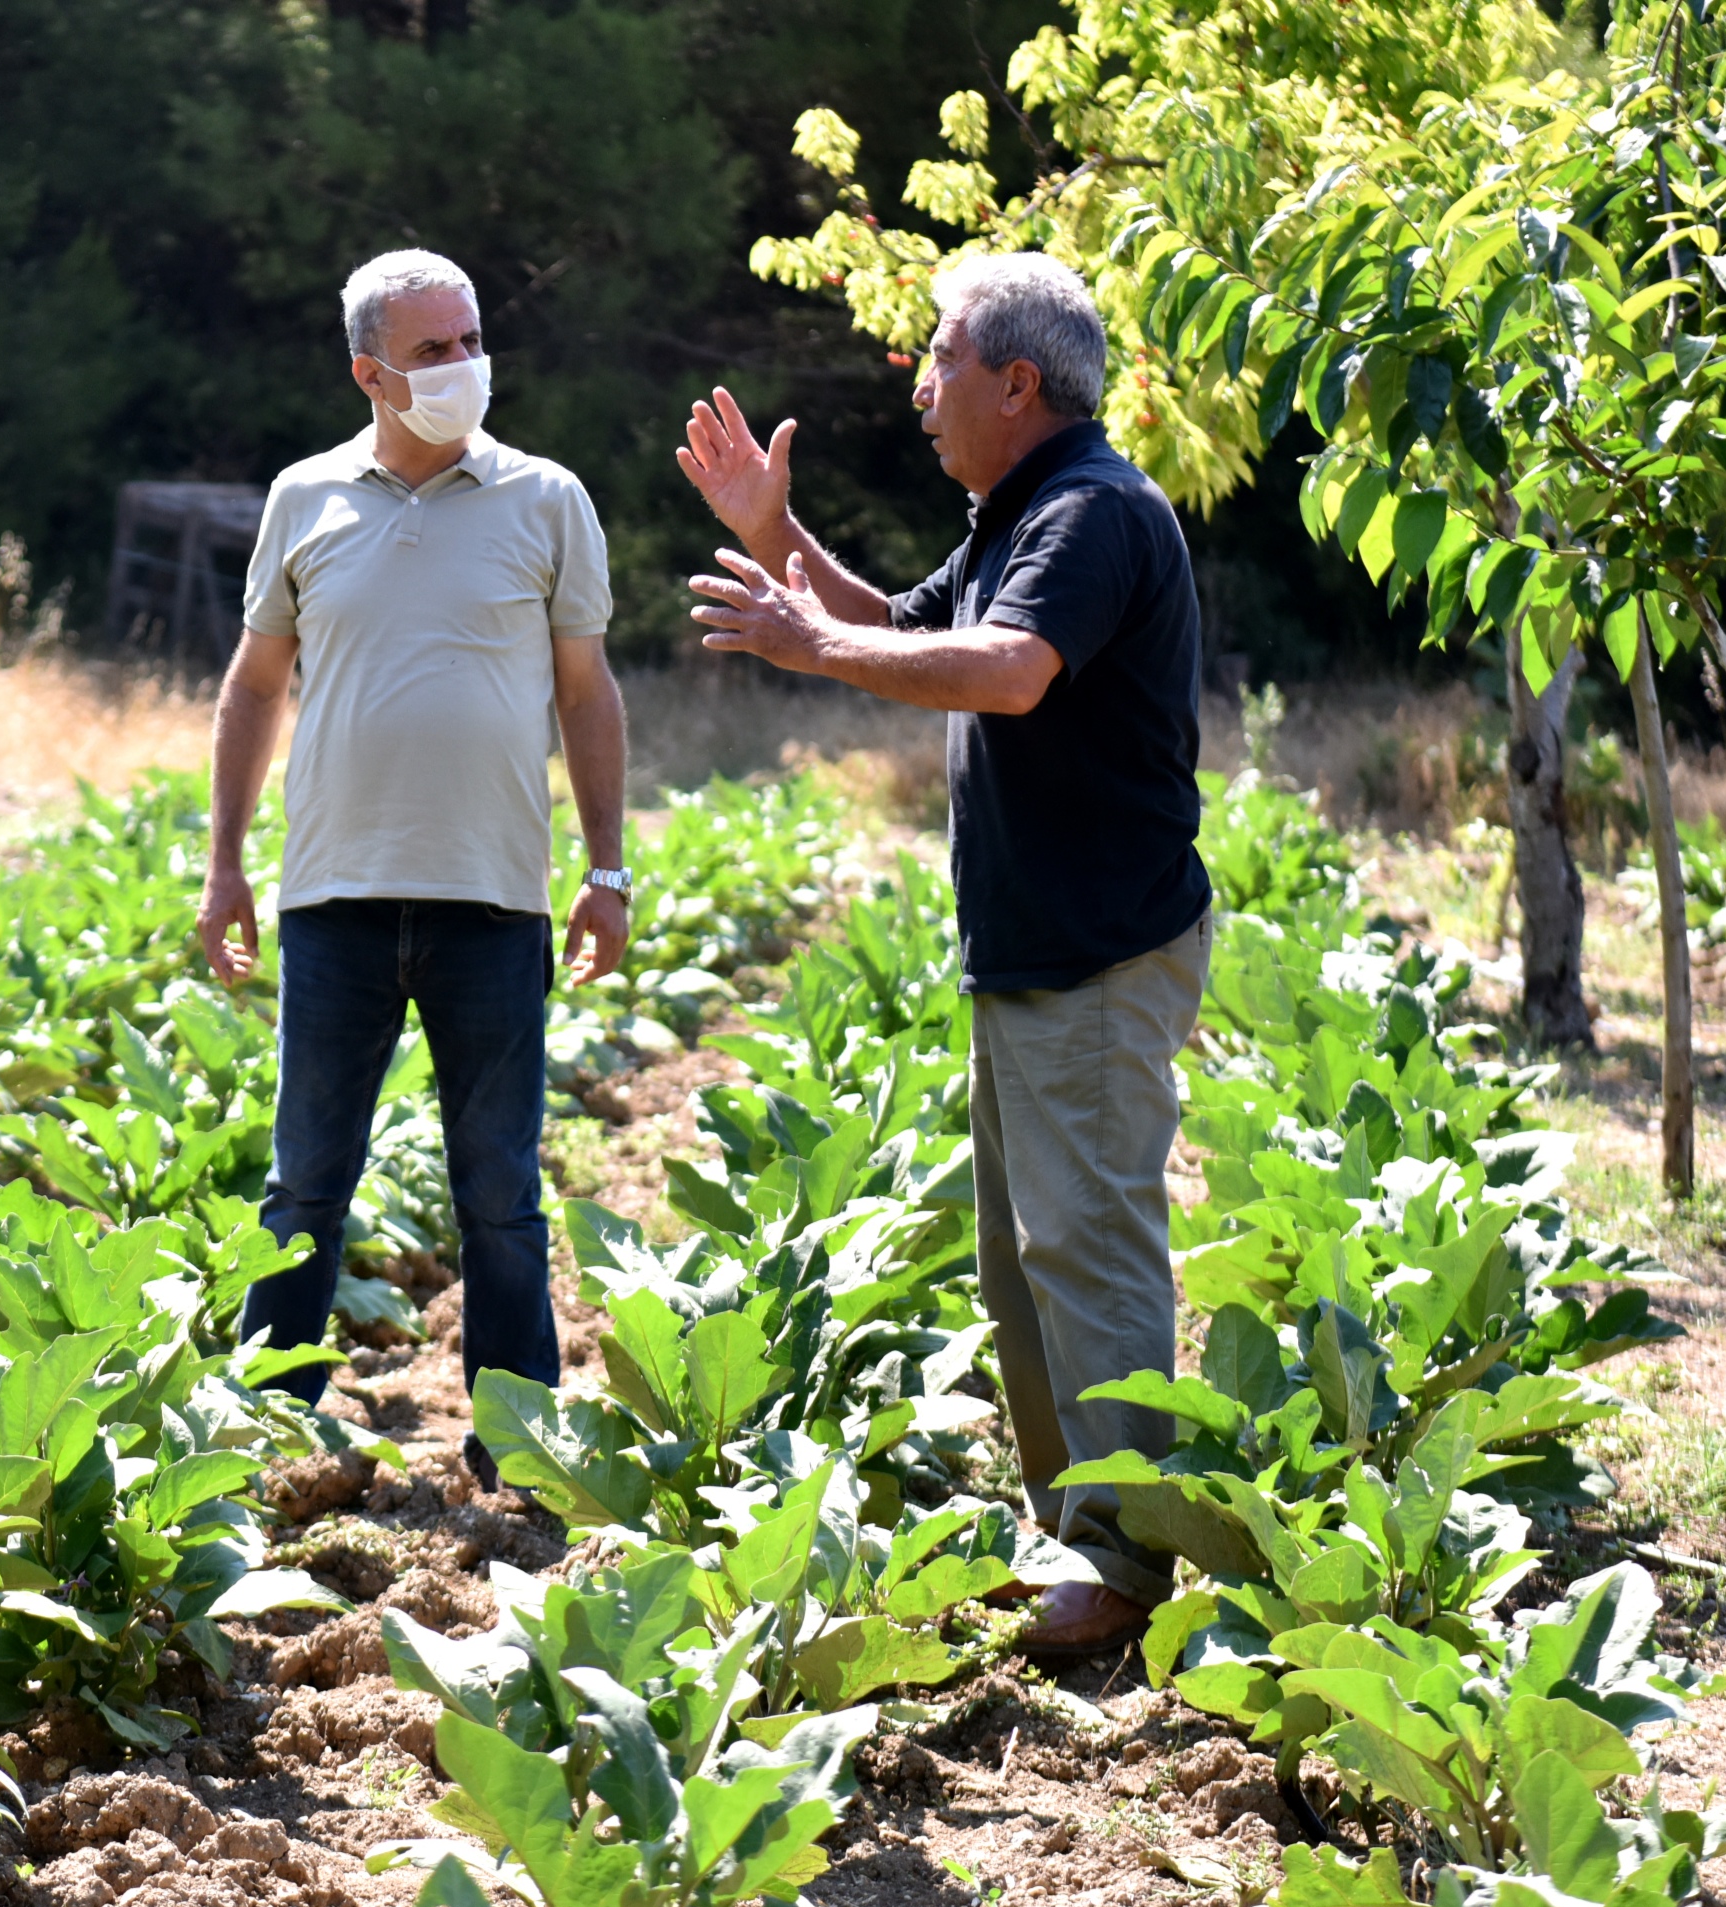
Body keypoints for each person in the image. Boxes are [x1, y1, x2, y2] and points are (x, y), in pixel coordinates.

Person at [675, 251, 1209, 1661]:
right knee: (1025, 1265)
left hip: (1098, 950)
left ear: (1017, 382)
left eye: (940, 358)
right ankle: (1075, 1531)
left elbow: (1009, 670)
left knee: (1089, 1252)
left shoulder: (1089, 512)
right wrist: (778, 534)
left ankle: (1125, 1556)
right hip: (1034, 949)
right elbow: (901, 628)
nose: (918, 388)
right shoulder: (1017, 515)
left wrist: (807, 647)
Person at [196, 248, 630, 1493]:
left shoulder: (548, 499)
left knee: (500, 1192)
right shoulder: (305, 497)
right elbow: (254, 685)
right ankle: (266, 1438)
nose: (463, 366)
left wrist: (608, 871)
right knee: (304, 1185)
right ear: (369, 373)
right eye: (433, 350)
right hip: (332, 898)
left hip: (494, 902)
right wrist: (224, 864)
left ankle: (521, 1451)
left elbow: (587, 692)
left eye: (471, 340)